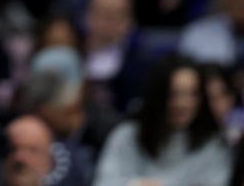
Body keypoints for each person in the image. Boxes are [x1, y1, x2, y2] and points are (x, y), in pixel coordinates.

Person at [93, 55, 231, 186]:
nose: (183, 103)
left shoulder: (213, 143)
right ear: (158, 95)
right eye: (174, 94)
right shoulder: (128, 135)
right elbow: (103, 182)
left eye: (192, 94)